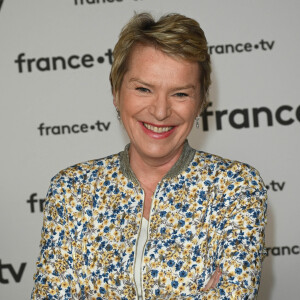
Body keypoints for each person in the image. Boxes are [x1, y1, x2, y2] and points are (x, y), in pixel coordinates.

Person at [31, 12, 267, 300]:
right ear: (116, 92)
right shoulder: (72, 190)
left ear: (201, 102)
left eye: (180, 94)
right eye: (143, 89)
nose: (159, 111)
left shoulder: (235, 187)